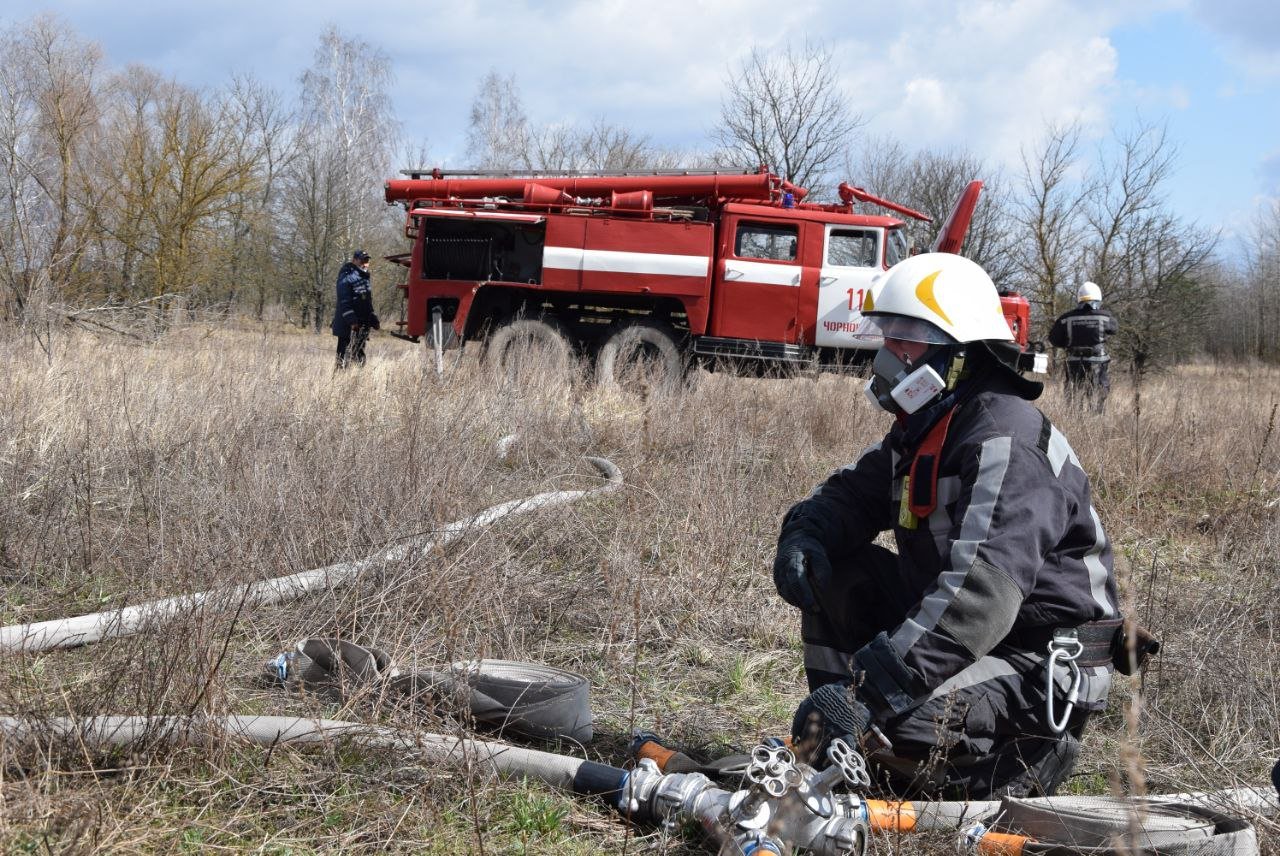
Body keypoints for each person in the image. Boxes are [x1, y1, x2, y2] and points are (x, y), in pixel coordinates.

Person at [772, 253, 1124, 800]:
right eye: (888, 333)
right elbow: (851, 494)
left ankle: (1000, 769)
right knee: (836, 569)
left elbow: (981, 597)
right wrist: (805, 532)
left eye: (907, 336)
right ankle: (840, 744)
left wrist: (872, 692)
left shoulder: (1004, 438)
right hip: (971, 641)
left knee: (898, 717)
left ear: (958, 352)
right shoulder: (929, 426)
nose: (889, 353)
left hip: (1034, 662)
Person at [1048, 282, 1118, 412]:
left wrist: (1068, 344)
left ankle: (1074, 417)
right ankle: (1097, 417)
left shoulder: (1065, 319)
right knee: (1098, 392)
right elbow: (1114, 329)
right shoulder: (1105, 317)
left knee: (1074, 393)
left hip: (1074, 362)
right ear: (1098, 298)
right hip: (1097, 362)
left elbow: (1054, 339)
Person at [332, 249, 379, 368]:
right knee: (343, 356)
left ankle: (358, 380)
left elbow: (366, 301)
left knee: (359, 355)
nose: (365, 263)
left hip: (362, 324)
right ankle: (339, 381)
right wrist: (352, 321)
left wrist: (372, 317)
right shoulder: (346, 276)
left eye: (367, 261)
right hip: (347, 323)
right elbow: (344, 300)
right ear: (354, 260)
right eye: (362, 260)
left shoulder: (364, 277)